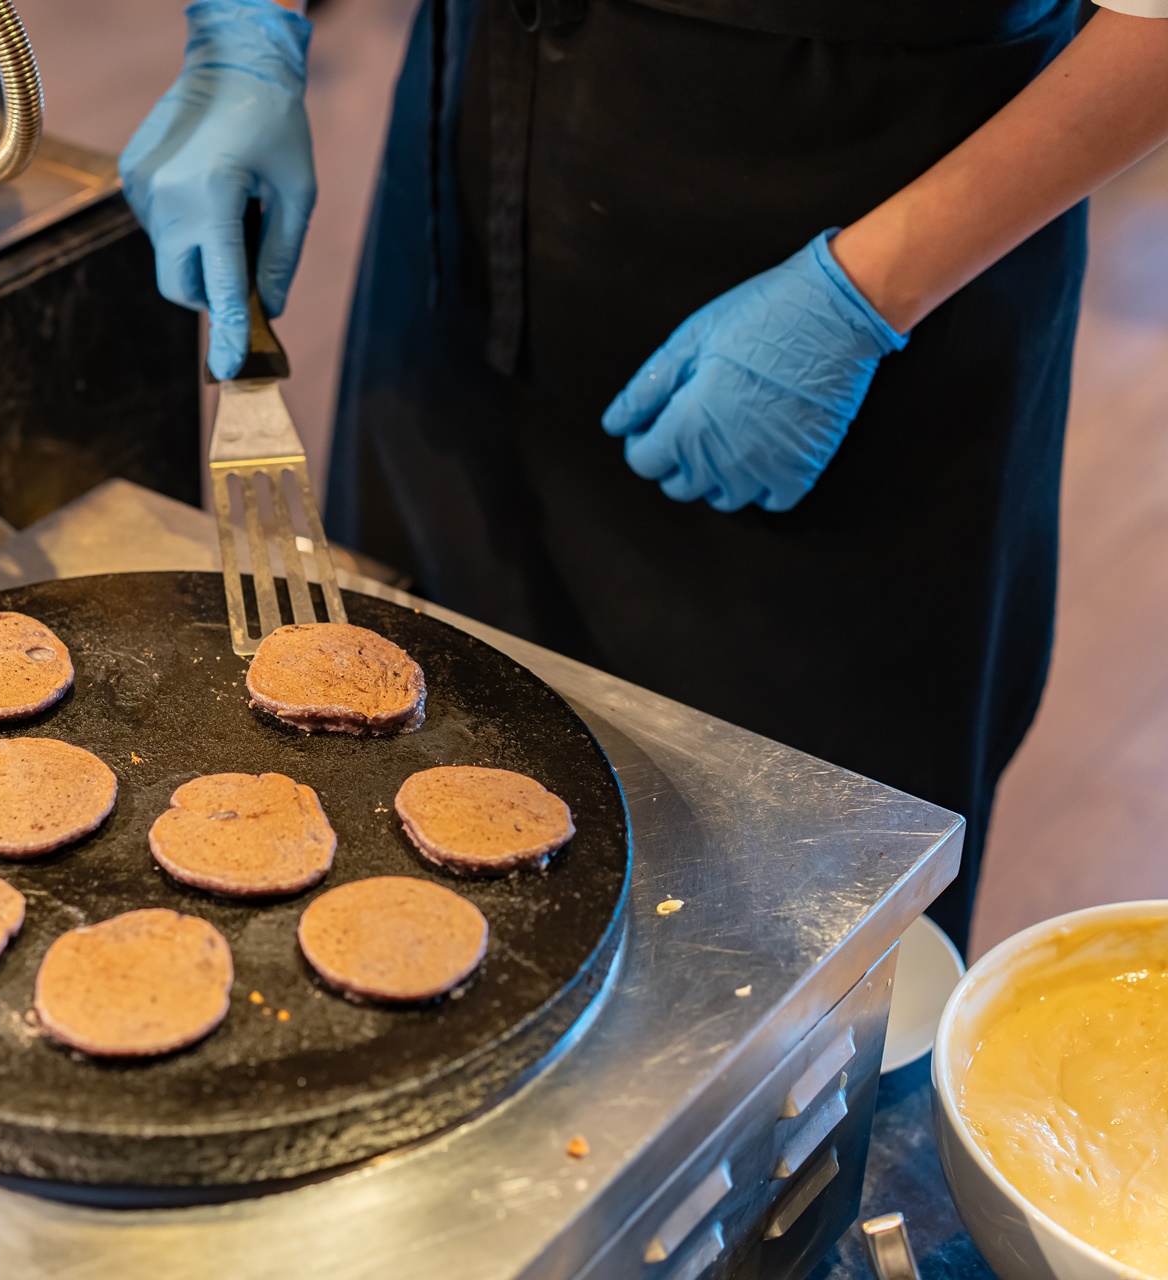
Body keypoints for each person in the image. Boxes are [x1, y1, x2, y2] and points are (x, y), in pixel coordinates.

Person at [119, 0, 1168, 953]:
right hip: (481, 169)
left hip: (871, 237)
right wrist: (247, 31)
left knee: (788, 915)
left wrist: (872, 289)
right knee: (383, 762)